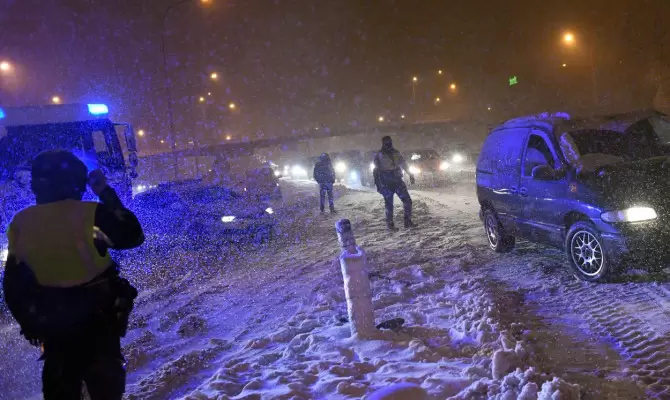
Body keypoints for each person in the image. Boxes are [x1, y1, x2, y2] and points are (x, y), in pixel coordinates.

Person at [2, 150, 145, 400]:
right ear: (77, 182)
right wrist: (104, 191)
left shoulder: (20, 223)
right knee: (106, 389)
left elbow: (13, 284)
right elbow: (133, 236)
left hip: (54, 327)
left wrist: (29, 323)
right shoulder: (91, 213)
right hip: (98, 324)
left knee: (60, 389)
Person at [373, 136, 416, 230]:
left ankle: (407, 221)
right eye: (386, 142)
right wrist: (379, 185)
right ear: (383, 143)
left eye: (389, 142)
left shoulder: (396, 153)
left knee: (407, 201)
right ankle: (390, 224)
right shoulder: (379, 155)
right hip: (387, 182)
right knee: (389, 204)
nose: (388, 144)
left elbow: (403, 164)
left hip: (397, 180)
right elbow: (376, 171)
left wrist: (410, 174)